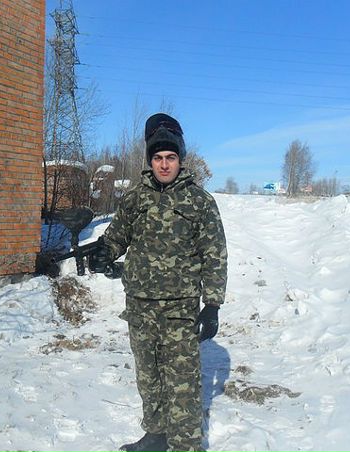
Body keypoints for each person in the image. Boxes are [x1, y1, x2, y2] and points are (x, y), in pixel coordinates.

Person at [89, 113, 228, 452]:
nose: (164, 164)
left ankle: (185, 446)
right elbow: (117, 237)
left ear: (180, 159)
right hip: (139, 306)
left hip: (179, 309)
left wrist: (212, 305)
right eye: (158, 158)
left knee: (182, 383)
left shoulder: (199, 201)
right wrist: (104, 253)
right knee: (148, 376)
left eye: (170, 157)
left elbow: (214, 254)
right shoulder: (135, 198)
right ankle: (156, 435)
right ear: (150, 161)